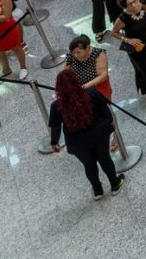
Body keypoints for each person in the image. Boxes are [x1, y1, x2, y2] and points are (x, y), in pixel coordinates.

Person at [48, 67, 124, 200]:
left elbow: (55, 126)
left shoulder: (56, 106)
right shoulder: (91, 93)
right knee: (105, 159)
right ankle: (114, 184)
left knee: (89, 165)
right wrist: (110, 121)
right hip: (99, 134)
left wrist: (54, 142)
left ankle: (97, 190)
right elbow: (104, 108)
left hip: (77, 142)